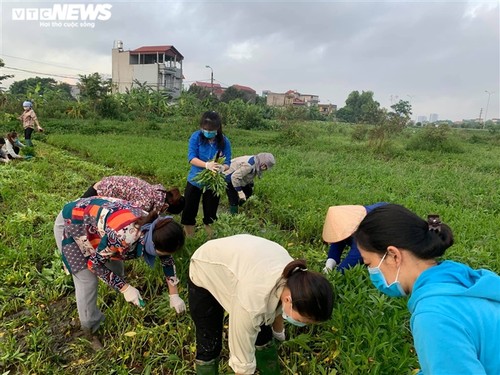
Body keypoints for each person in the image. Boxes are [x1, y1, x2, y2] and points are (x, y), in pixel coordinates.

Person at [353, 204, 500, 375]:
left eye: (368, 264)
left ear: (394, 255)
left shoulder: (433, 316)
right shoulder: (462, 278)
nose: (371, 273)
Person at [189, 234, 334, 375]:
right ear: (289, 300)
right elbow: (242, 365)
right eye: (303, 320)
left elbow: (277, 305)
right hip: (206, 266)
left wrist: (278, 332)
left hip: (243, 264)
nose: (304, 324)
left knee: (263, 333)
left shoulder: (297, 279)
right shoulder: (252, 305)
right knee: (209, 341)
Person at [57, 196, 186, 347]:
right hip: (73, 224)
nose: (164, 257)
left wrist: (174, 294)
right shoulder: (125, 236)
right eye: (161, 253)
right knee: (87, 280)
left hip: (99, 226)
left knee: (115, 269)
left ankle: (119, 294)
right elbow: (95, 265)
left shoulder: (158, 229)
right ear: (151, 244)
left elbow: (167, 259)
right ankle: (90, 330)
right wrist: (125, 288)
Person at [181, 111, 231, 238]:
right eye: (205, 129)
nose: (208, 132)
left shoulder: (224, 141)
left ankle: (210, 239)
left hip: (212, 183)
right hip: (195, 180)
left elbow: (228, 162)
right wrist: (206, 165)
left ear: (218, 128)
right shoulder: (196, 137)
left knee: (210, 214)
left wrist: (221, 168)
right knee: (189, 211)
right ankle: (190, 238)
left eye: (211, 130)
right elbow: (191, 158)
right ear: (201, 127)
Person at [322, 202, 387, 273]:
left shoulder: (364, 228)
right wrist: (329, 265)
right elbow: (338, 241)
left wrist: (338, 272)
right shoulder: (344, 222)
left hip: (386, 225)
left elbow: (356, 255)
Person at [81, 175, 185, 215]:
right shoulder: (146, 203)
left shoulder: (157, 193)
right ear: (166, 206)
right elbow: (125, 215)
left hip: (105, 184)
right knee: (76, 213)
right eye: (167, 212)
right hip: (102, 191)